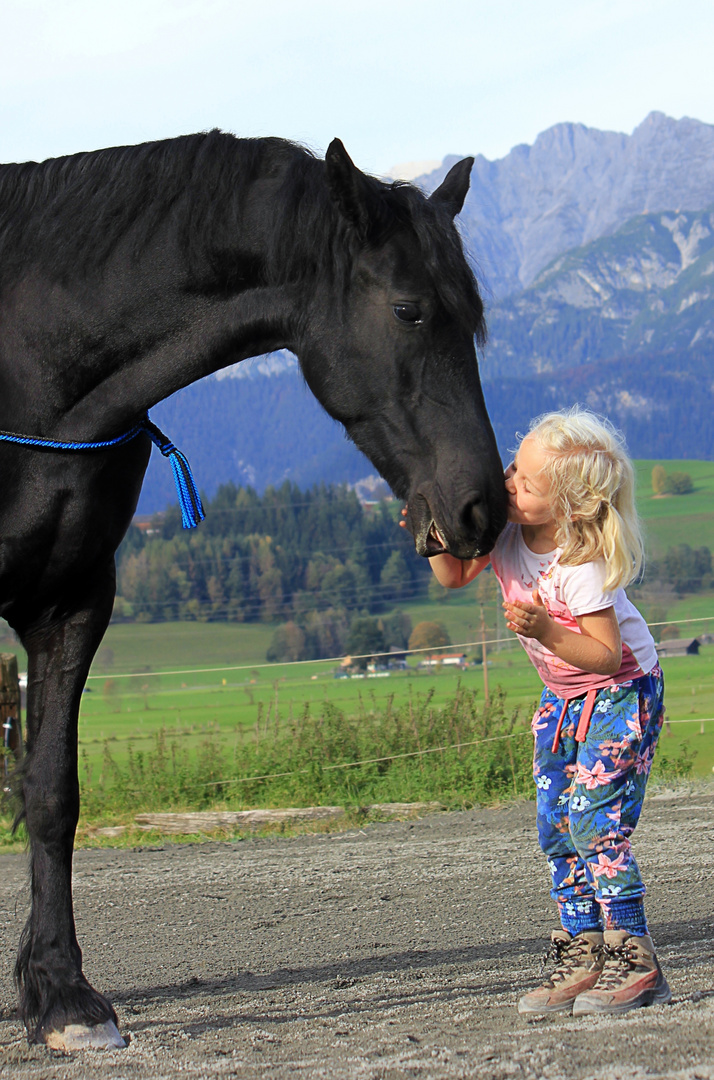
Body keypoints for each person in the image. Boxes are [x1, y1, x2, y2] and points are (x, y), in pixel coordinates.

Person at [422, 406, 671, 1016]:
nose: (509, 483)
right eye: (513, 469)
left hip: (620, 693)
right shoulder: (507, 534)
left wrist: (546, 630)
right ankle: (582, 953)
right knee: (555, 827)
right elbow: (452, 575)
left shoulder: (578, 560)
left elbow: (606, 654)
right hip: (563, 697)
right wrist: (431, 528)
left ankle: (634, 958)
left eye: (527, 484)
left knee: (595, 823)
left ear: (567, 505)